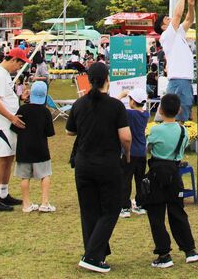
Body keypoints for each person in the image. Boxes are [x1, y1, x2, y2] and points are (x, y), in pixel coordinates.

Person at [66, 62, 132, 274]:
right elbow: (125, 137)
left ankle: (95, 253)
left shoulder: (79, 104)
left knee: (89, 210)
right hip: (107, 164)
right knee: (111, 210)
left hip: (84, 164)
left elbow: (70, 132)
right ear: (107, 79)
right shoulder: (115, 106)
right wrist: (127, 153)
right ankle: (93, 255)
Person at [142, 93, 198, 268]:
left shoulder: (155, 130)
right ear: (179, 110)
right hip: (175, 175)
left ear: (160, 110)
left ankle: (164, 254)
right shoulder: (183, 131)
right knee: (178, 212)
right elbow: (183, 148)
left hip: (156, 175)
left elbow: (148, 147)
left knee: (156, 215)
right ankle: (190, 250)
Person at [0, 47, 29, 212]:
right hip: (2, 124)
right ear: (13, 60)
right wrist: (11, 117)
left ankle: (3, 193)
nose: (19, 68)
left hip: (8, 123)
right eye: (20, 64)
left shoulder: (3, 75)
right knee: (1, 158)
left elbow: (4, 98)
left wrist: (19, 98)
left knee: (8, 158)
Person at [153, 0, 197, 122]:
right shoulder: (166, 36)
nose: (170, 18)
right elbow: (178, 15)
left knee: (184, 115)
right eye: (167, 19)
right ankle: (175, 140)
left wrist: (190, 5)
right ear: (163, 26)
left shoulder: (177, 33)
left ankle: (179, 140)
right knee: (177, 118)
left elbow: (189, 19)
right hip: (179, 80)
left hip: (184, 80)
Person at [12, 81, 56, 213]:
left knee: (25, 177)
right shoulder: (45, 112)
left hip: (23, 148)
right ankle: (45, 202)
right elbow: (50, 132)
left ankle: (26, 204)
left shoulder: (22, 109)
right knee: (45, 174)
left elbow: (15, 127)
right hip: (40, 148)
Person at [120, 86, 149, 218]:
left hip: (129, 152)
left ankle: (125, 207)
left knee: (125, 180)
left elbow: (114, 106)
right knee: (139, 179)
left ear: (132, 101)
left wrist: (122, 95)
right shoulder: (145, 114)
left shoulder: (130, 114)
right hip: (142, 152)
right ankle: (140, 204)